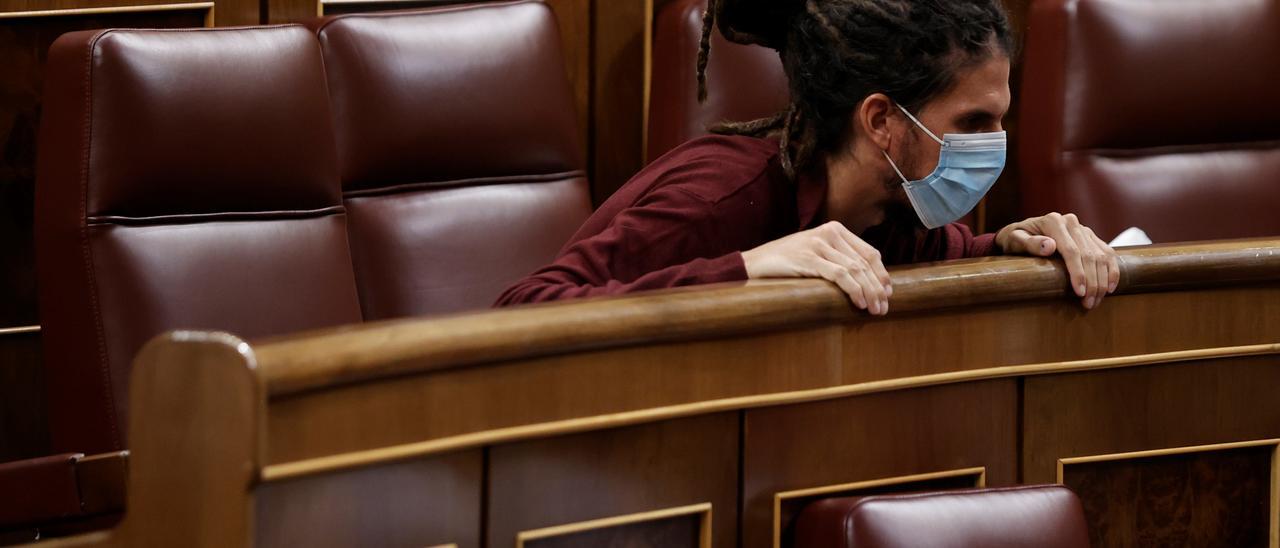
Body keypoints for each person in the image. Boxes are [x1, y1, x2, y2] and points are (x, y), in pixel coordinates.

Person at [496, 0, 1119, 315]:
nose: (993, 144)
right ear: (881, 122)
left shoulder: (893, 215)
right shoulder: (723, 194)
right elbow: (523, 309)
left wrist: (1020, 246)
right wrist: (745, 269)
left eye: (999, 120)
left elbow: (951, 258)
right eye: (973, 122)